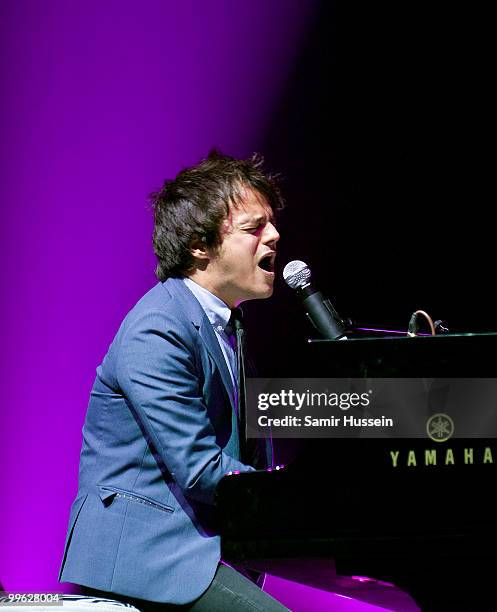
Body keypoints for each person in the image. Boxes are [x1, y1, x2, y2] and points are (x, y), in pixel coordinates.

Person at [59, 151, 288, 611]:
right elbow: (200, 467)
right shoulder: (158, 327)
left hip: (195, 551)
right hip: (146, 556)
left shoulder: (228, 326)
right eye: (253, 228)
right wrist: (294, 495)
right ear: (199, 246)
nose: (275, 236)